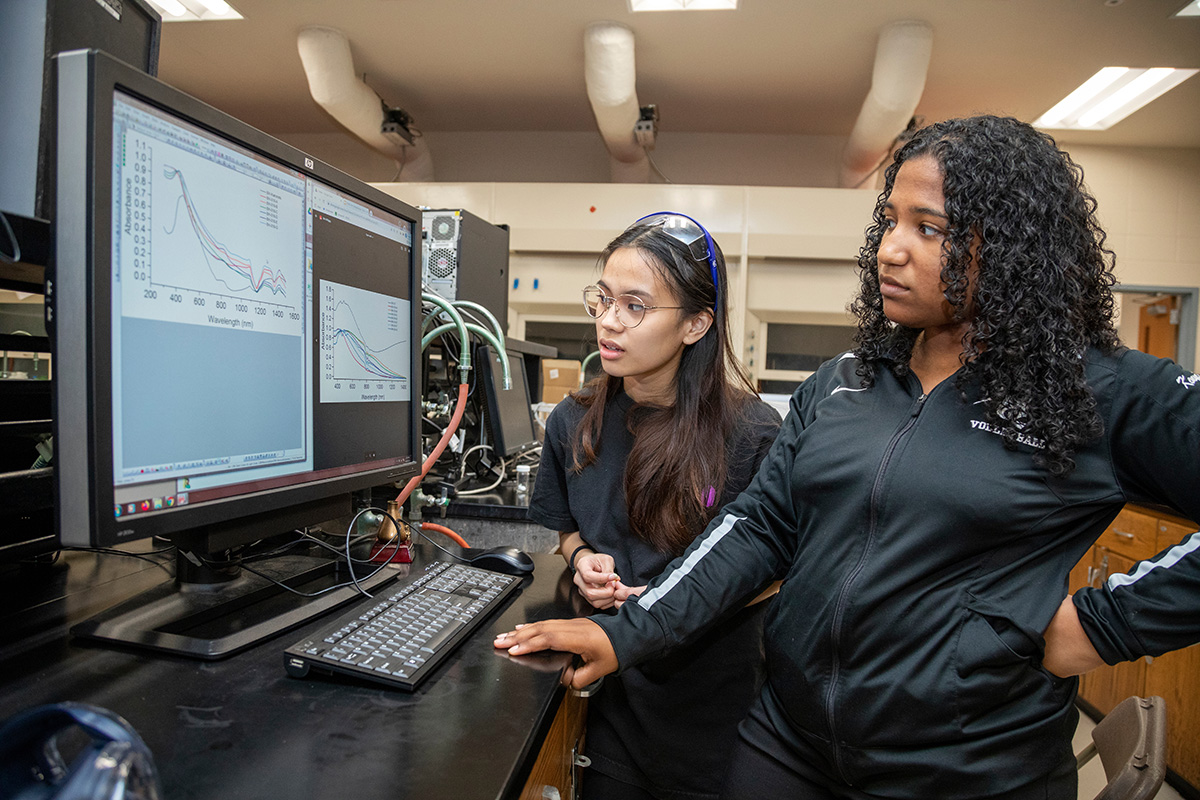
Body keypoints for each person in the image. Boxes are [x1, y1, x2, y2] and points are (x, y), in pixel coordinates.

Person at [496, 116, 1200, 800]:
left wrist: (1105, 625)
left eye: (929, 229)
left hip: (967, 766)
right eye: (889, 221)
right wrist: (627, 632)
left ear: (1014, 249)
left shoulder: (1097, 391)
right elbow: (760, 528)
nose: (891, 249)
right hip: (788, 744)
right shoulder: (843, 383)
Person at [530, 212, 781, 800]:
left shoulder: (750, 433)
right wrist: (583, 557)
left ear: (696, 324)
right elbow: (562, 522)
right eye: (604, 299)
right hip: (612, 699)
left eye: (635, 306)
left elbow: (776, 566)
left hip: (707, 708)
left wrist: (672, 603)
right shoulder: (574, 420)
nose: (608, 322)